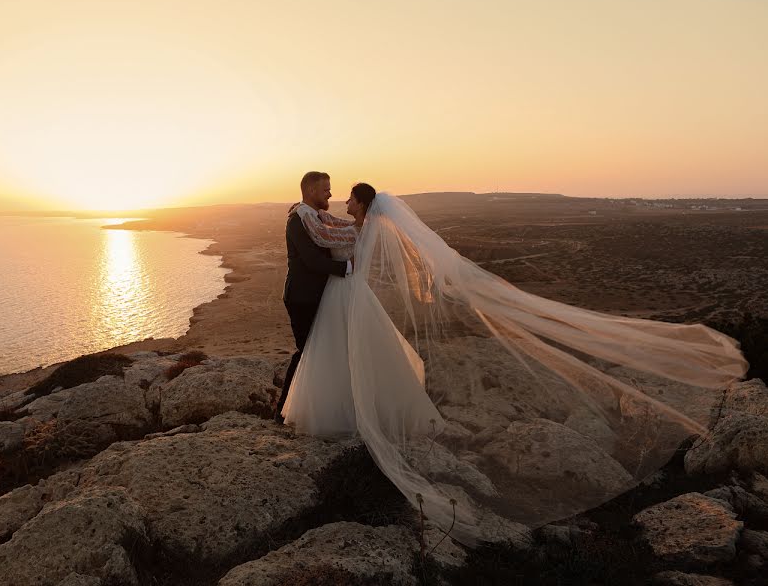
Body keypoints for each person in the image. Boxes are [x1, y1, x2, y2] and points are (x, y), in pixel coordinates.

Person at [283, 181, 749, 545]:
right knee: (357, 358)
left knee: (352, 357)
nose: (340, 201)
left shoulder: (359, 228)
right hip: (348, 298)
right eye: (333, 194)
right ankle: (359, 407)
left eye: (347, 198)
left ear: (362, 204)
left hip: (350, 297)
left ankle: (350, 411)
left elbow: (337, 250)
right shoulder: (350, 225)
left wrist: (340, 263)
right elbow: (319, 237)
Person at [275, 171, 352, 424]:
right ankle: (284, 411)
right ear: (310, 191)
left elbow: (336, 235)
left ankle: (315, 407)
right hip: (302, 297)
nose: (330, 193)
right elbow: (311, 260)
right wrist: (348, 268)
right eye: (325, 189)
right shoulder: (298, 220)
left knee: (321, 351)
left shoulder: (317, 218)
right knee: (305, 352)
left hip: (319, 295)